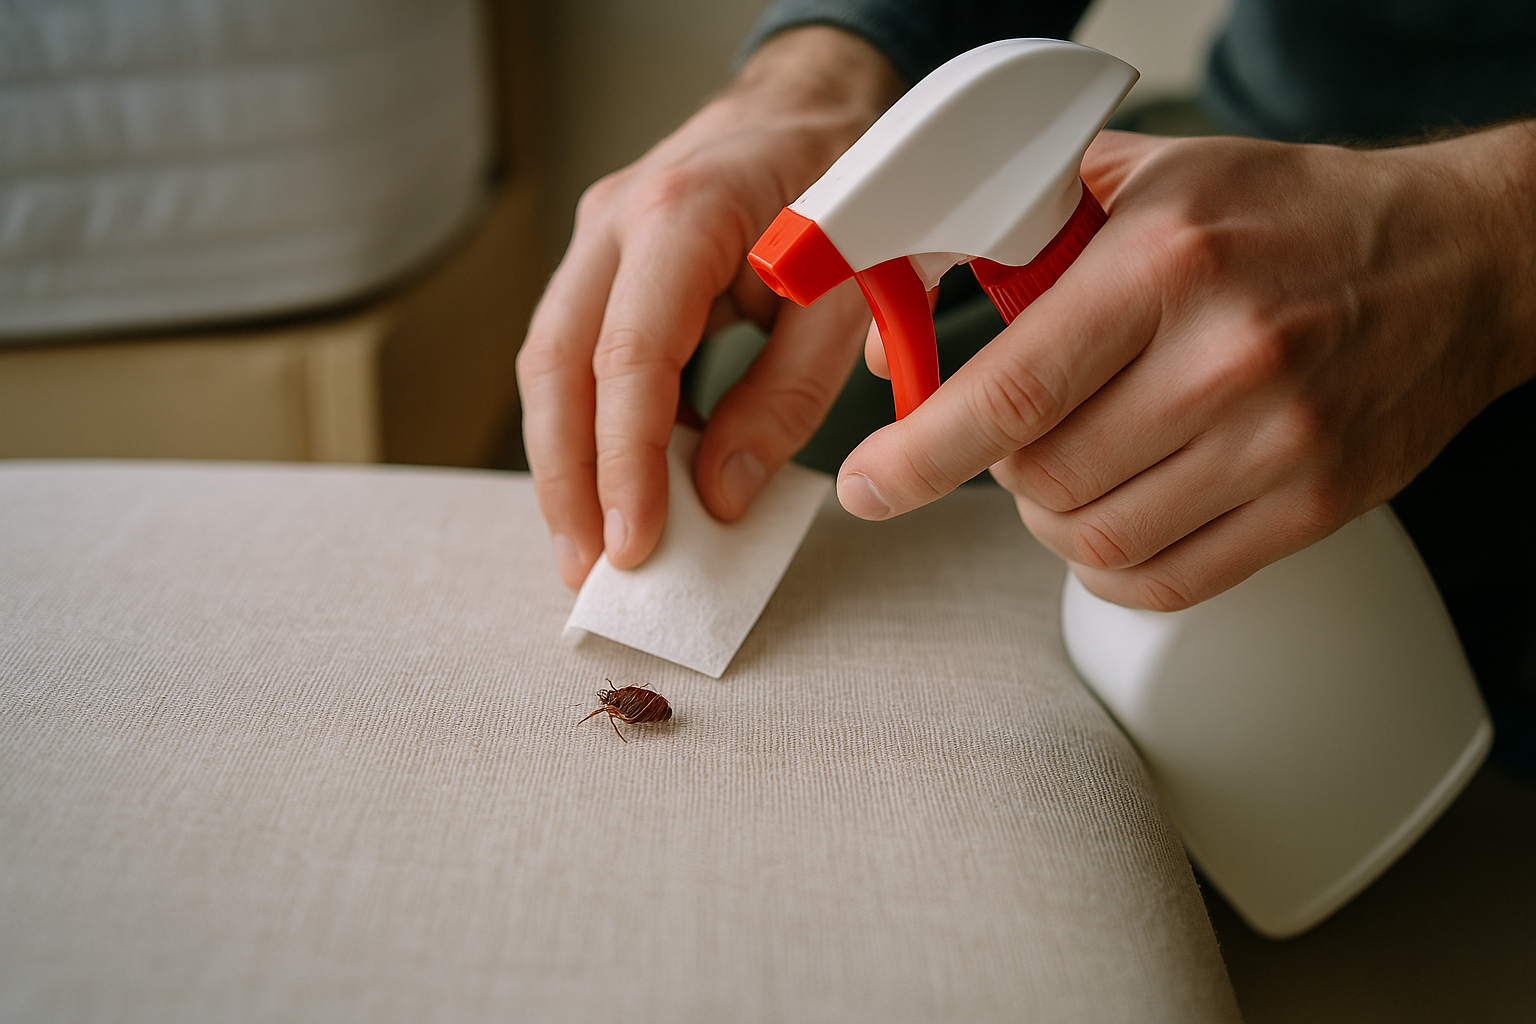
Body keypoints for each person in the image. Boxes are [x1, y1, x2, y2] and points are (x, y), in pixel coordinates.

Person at [517, 1, 1536, 766]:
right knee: (766, 365)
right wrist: (828, 69)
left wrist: (1488, 257)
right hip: (1286, 125)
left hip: (1483, 209)